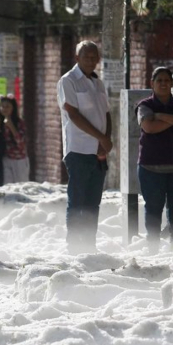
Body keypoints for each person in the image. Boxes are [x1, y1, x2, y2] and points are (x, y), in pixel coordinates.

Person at [57, 40, 112, 253]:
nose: (90, 60)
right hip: (79, 149)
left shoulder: (98, 83)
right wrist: (100, 137)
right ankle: (74, 247)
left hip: (98, 152)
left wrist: (105, 140)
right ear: (77, 58)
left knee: (92, 202)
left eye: (94, 57)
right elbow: (73, 115)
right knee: (77, 200)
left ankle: (89, 246)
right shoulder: (68, 81)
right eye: (86, 56)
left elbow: (106, 113)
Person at [136, 66, 173, 251]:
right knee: (153, 209)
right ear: (152, 84)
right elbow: (149, 127)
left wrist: (161, 116)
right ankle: (152, 247)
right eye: (160, 81)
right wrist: (172, 120)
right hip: (151, 167)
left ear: (172, 83)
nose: (164, 84)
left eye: (167, 80)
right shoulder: (144, 105)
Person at [0, 95, 30, 184]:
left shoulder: (19, 123)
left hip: (19, 160)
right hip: (6, 159)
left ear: (13, 108)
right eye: (2, 106)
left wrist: (11, 127)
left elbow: (21, 144)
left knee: (20, 187)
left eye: (7, 106)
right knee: (8, 186)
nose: (4, 109)